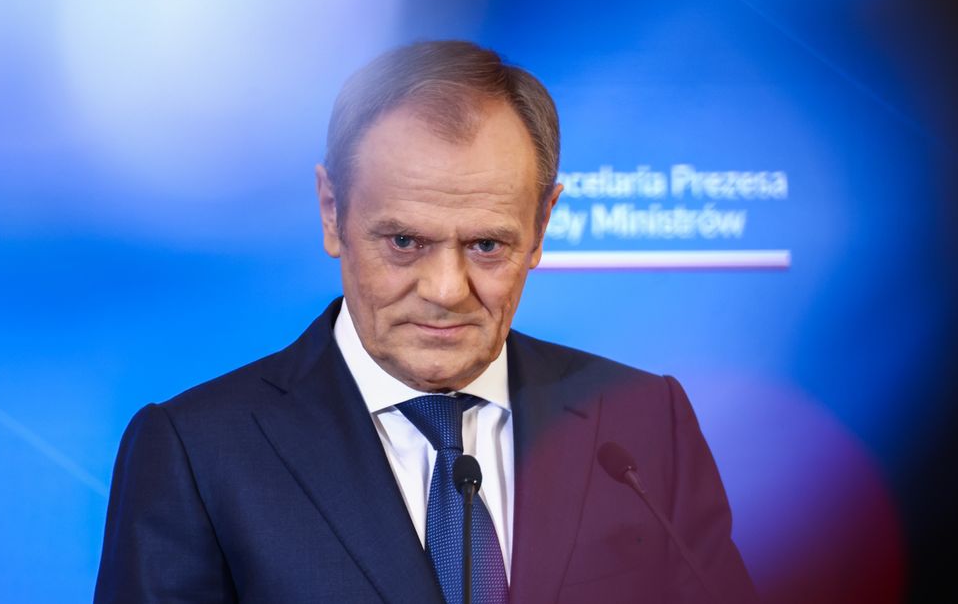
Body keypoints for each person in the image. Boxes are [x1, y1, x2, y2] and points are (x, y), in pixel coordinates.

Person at [94, 40, 757, 603]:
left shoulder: (642, 426)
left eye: (487, 245)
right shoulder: (197, 451)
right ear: (332, 212)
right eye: (405, 242)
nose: (446, 290)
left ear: (541, 226)